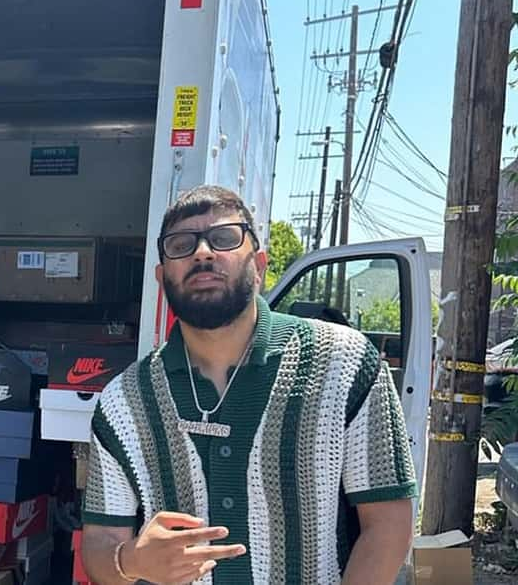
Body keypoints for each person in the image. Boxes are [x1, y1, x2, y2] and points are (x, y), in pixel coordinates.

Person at [81, 186, 416, 585]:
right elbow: (100, 540)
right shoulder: (123, 402)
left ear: (259, 265)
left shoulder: (343, 363)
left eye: (224, 239)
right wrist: (132, 560)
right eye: (181, 245)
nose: (202, 252)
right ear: (161, 276)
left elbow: (388, 522)